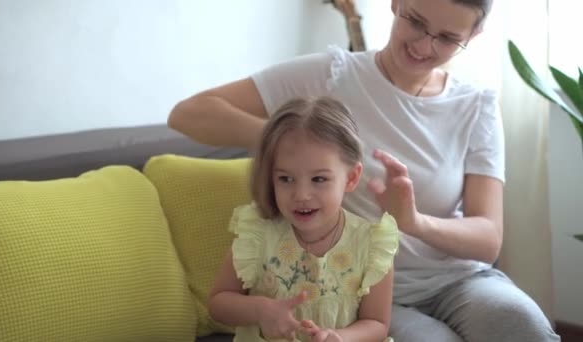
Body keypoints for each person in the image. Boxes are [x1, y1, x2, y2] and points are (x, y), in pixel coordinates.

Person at [170, 0, 560, 341]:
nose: (424, 45)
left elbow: (488, 239)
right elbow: (187, 114)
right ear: (395, 2)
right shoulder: (332, 74)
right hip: (361, 290)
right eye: (416, 22)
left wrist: (415, 222)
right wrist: (299, 148)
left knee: (523, 326)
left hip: (461, 282)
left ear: (473, 36)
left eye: (446, 37)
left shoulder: (476, 105)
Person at [208, 96, 400, 342]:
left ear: (351, 178)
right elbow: (218, 303)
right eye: (286, 179)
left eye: (319, 179)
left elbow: (377, 323)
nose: (301, 195)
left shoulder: (373, 244)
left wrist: (339, 337)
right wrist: (260, 309)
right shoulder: (257, 235)